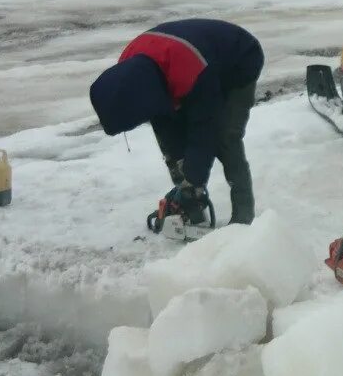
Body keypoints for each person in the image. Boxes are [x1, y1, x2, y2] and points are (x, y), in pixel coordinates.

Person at [89, 18, 264, 225]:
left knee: (225, 137)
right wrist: (184, 176)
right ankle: (191, 205)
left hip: (239, 60)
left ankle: (243, 217)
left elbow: (204, 129)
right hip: (194, 63)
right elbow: (162, 121)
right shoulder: (131, 74)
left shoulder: (190, 72)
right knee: (172, 139)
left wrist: (194, 177)